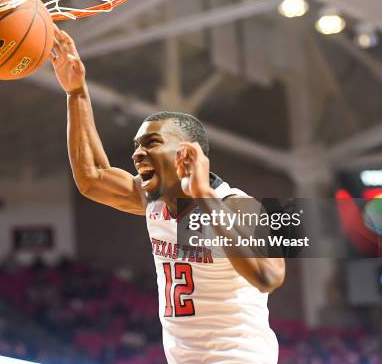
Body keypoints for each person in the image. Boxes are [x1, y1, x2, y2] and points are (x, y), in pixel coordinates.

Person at [50, 26, 285, 364]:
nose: (137, 155)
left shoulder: (243, 205)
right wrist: (76, 93)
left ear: (185, 152)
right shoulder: (155, 203)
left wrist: (204, 195)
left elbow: (269, 278)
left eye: (151, 144)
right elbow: (93, 179)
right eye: (136, 146)